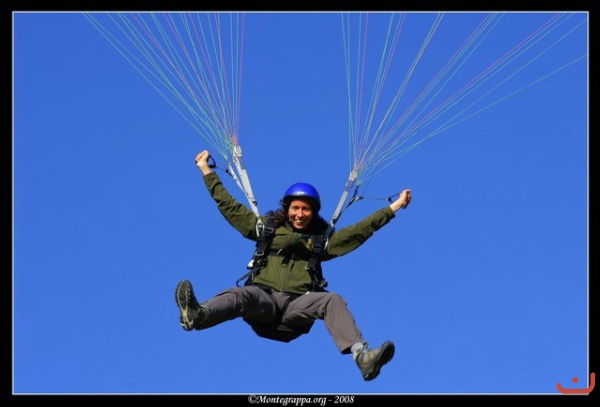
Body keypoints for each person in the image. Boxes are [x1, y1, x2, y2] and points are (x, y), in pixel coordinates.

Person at [175, 150, 412, 381]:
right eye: (295, 208)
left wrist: (395, 206)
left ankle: (362, 356)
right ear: (287, 209)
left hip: (296, 307)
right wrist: (206, 171)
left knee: (332, 300)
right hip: (264, 301)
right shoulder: (266, 229)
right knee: (241, 295)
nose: (300, 214)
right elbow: (229, 206)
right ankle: (199, 315)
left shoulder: (322, 242)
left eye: (306, 209)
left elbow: (360, 230)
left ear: (313, 213)